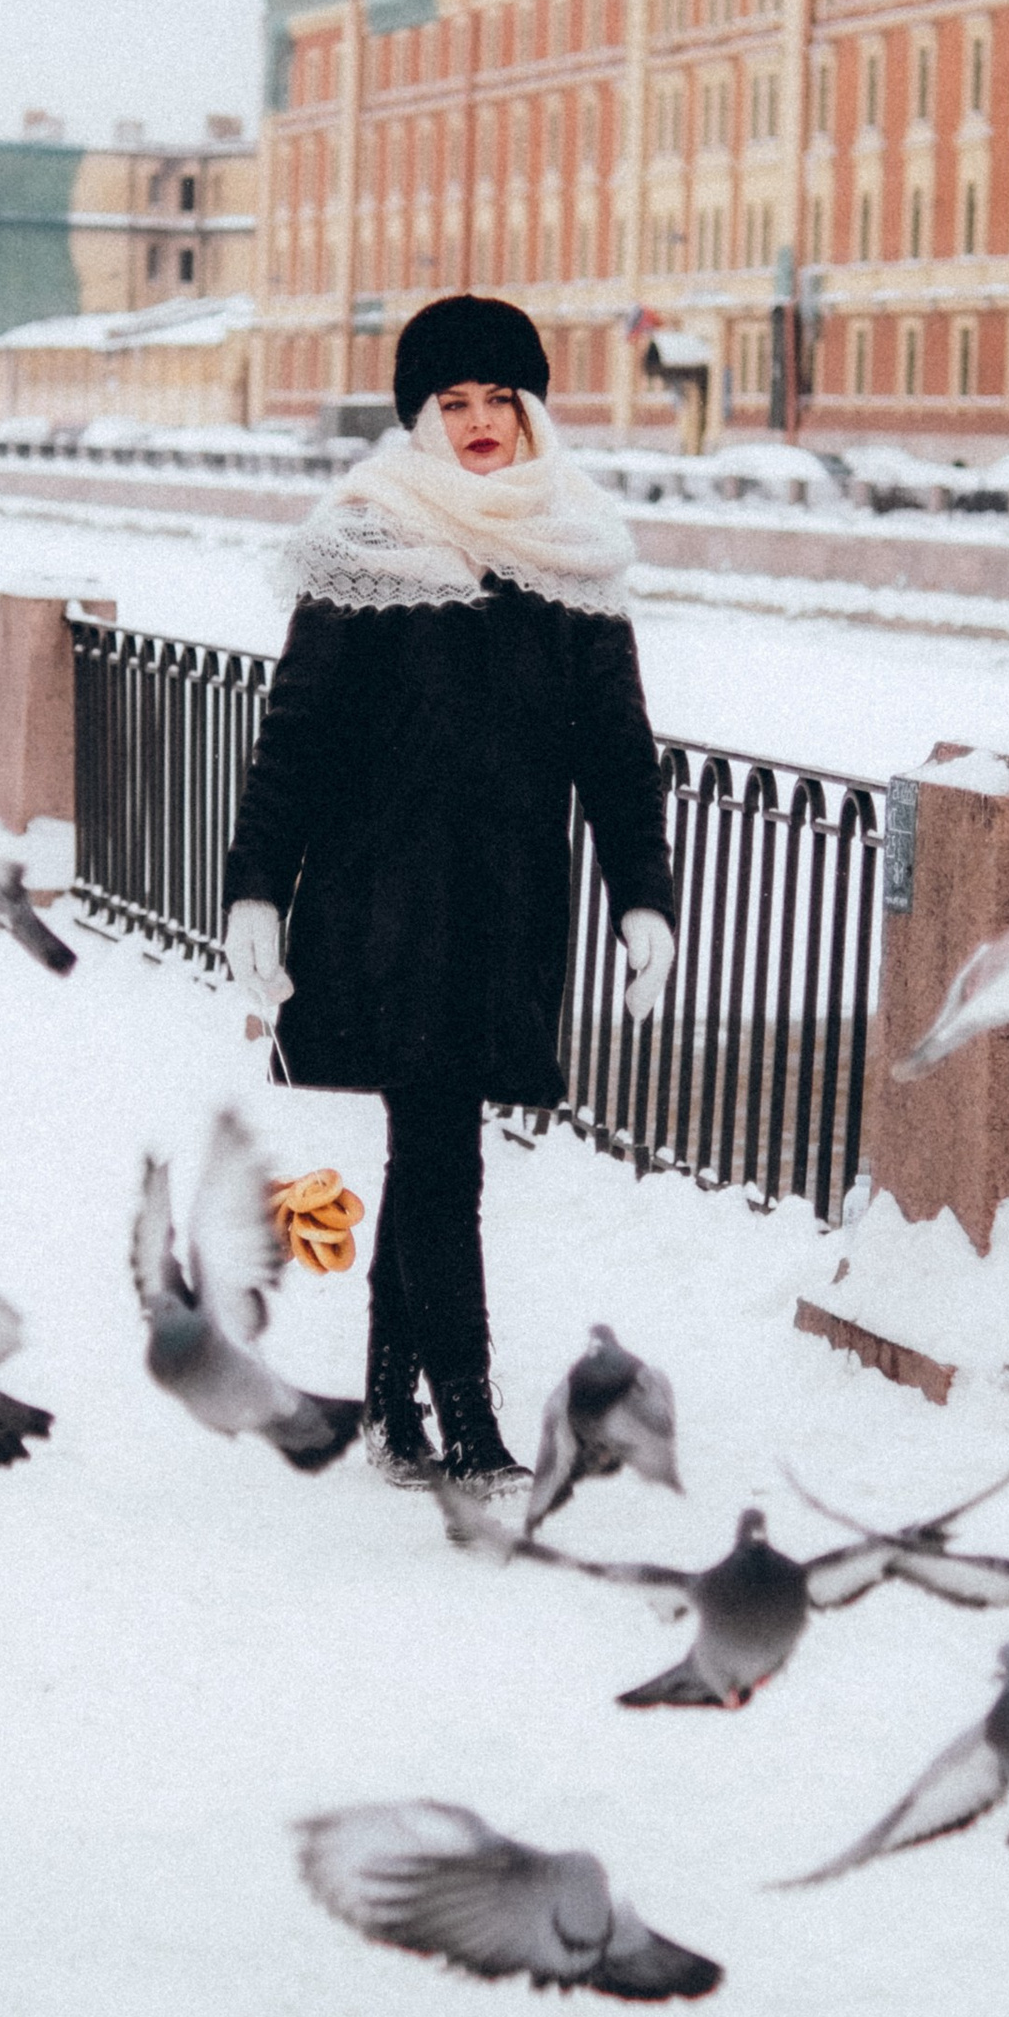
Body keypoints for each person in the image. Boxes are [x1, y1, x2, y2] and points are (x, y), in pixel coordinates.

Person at [222, 295, 677, 1484]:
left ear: (531, 408)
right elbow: (298, 738)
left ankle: (388, 1408)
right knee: (442, 1153)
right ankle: (465, 1419)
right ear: (421, 418)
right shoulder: (374, 533)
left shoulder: (572, 545)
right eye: (454, 403)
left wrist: (645, 895)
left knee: (428, 1149)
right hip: (384, 899)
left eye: (499, 400)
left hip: (513, 902)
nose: (479, 425)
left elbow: (616, 752)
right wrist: (256, 889)